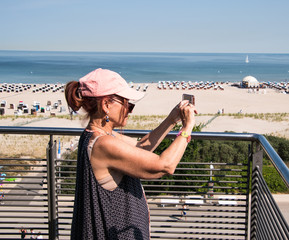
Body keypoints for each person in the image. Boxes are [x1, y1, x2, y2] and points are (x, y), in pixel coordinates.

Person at [65, 68, 197, 240]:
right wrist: (187, 129)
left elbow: (141, 147)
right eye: (127, 103)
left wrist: (172, 120)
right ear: (106, 105)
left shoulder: (97, 135)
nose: (130, 109)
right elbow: (165, 166)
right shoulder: (104, 144)